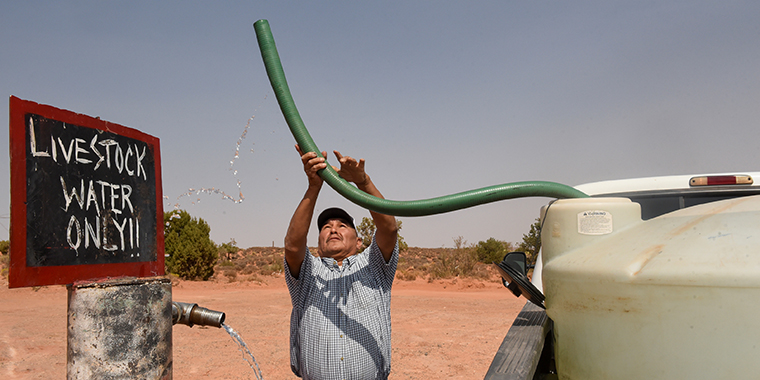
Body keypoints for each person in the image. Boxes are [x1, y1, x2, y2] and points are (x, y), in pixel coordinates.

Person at [284, 144, 399, 380]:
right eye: (326, 227)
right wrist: (314, 187)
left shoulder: (374, 266)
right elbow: (293, 246)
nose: (333, 229)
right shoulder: (309, 272)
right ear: (318, 244)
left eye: (342, 226)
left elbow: (388, 228)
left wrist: (363, 182)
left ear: (358, 242)